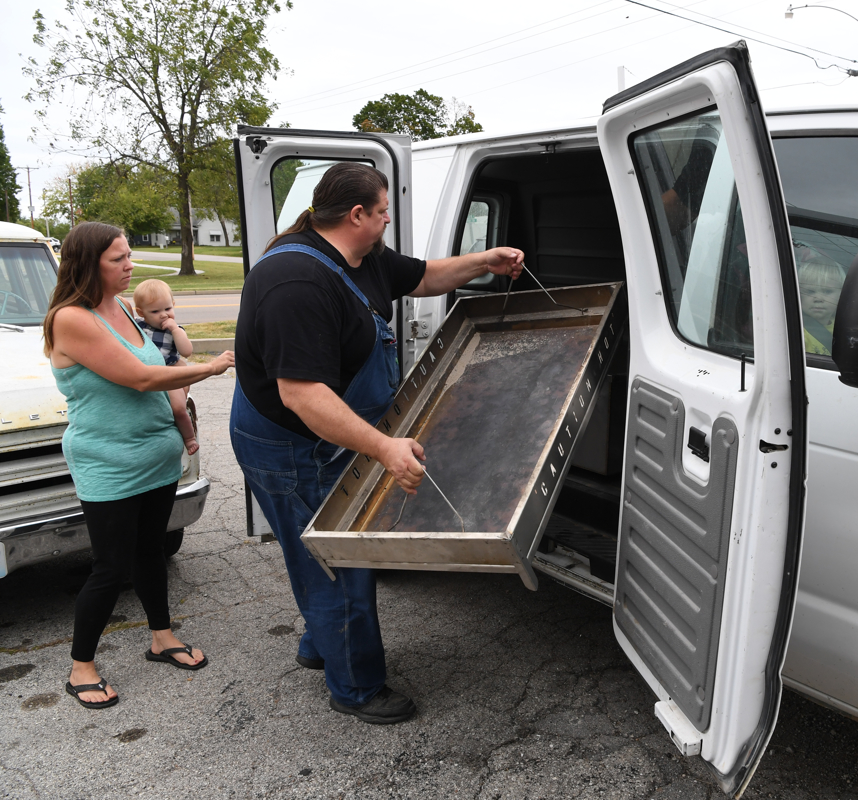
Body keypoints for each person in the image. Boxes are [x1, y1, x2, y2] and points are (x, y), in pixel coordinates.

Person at [230, 162, 523, 725]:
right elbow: (303, 396)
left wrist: (484, 261)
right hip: (291, 443)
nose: (390, 220)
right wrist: (384, 447)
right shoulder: (296, 282)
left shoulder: (363, 258)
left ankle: (322, 644)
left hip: (325, 434)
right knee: (340, 561)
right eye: (384, 211)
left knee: (320, 554)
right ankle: (357, 687)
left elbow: (424, 276)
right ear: (357, 214)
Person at [43, 222, 236, 710]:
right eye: (118, 259)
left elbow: (160, 355)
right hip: (109, 463)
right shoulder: (72, 318)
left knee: (151, 552)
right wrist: (211, 367)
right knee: (110, 567)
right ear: (87, 263)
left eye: (129, 255)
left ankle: (161, 637)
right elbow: (141, 377)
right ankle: (80, 667)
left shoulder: (124, 308)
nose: (130, 265)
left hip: (154, 457)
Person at [133, 278, 198, 454]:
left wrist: (176, 330)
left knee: (177, 408)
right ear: (141, 312)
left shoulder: (176, 330)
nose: (164, 315)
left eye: (168, 309)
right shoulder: (137, 327)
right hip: (149, 373)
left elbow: (187, 351)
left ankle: (189, 437)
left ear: (174, 305)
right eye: (155, 311)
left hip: (170, 374)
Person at [796, 249, 846, 356]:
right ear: (799, 294)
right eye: (810, 291)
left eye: (827, 291)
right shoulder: (797, 332)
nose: (818, 298)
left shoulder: (844, 331)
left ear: (841, 295)